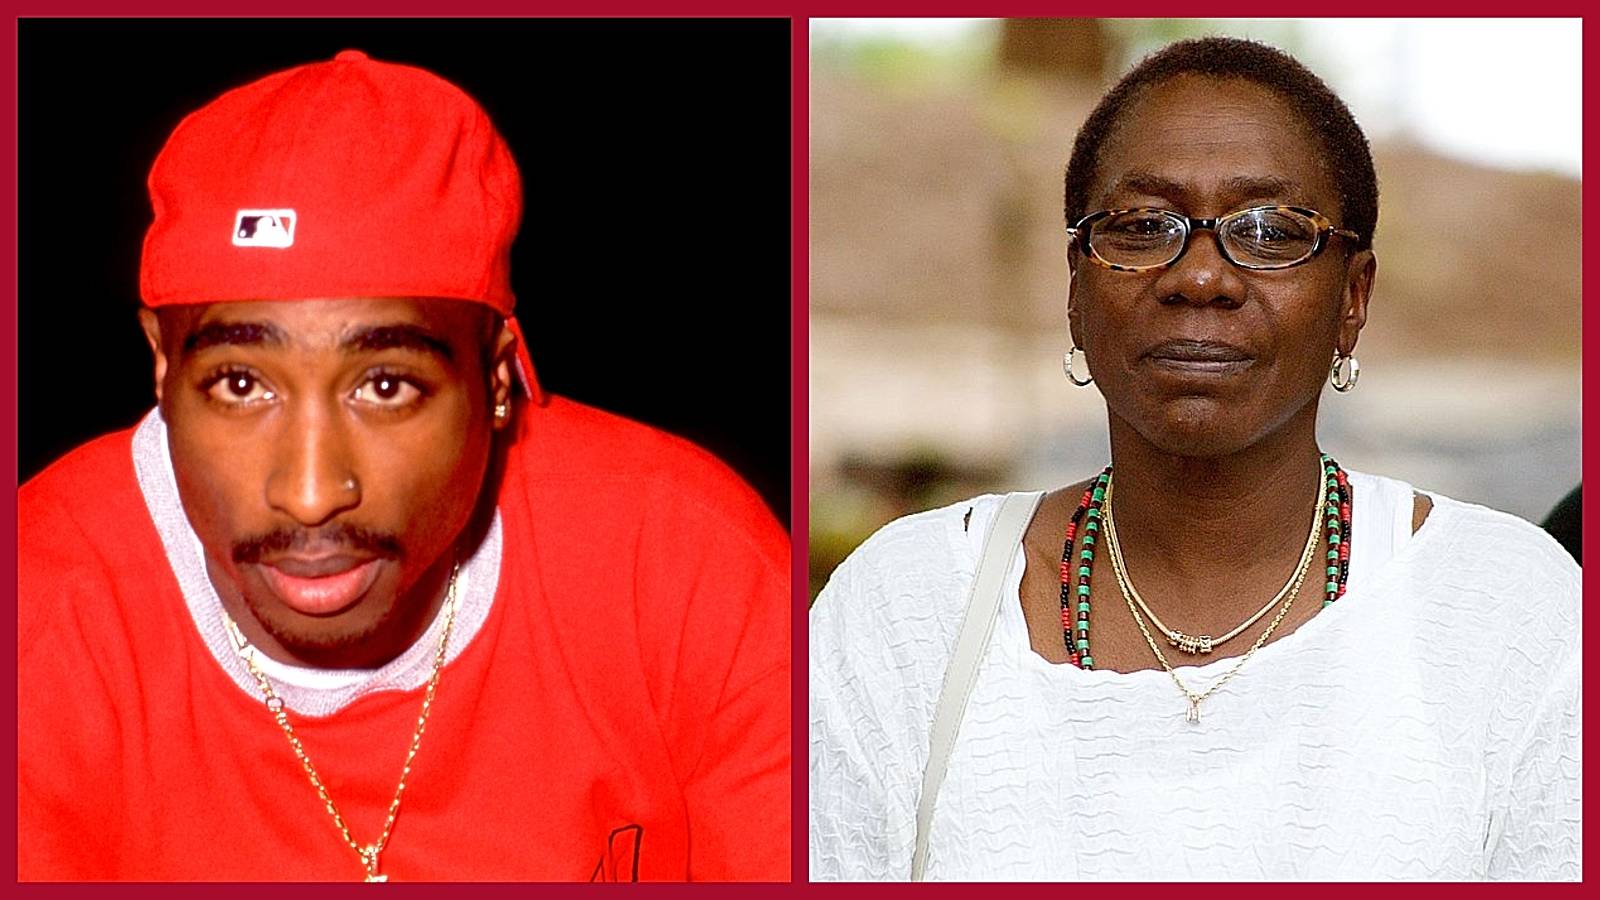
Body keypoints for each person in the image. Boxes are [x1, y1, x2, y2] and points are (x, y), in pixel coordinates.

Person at [809, 37, 1578, 881]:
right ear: (1075, 290)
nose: (1202, 278)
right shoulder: (907, 608)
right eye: (1142, 227)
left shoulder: (1508, 611)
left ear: (1352, 299)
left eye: (1270, 231)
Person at [19, 50, 790, 882]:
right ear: (163, 371)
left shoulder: (682, 567)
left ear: (495, 377)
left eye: (385, 386)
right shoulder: (38, 612)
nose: (310, 493)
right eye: (240, 385)